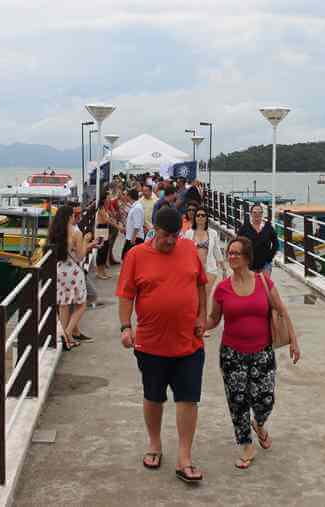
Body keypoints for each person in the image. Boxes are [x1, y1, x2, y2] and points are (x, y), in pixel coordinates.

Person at [117, 207, 208, 483]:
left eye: (175, 235)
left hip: (189, 342)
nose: (171, 240)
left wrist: (202, 316)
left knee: (188, 398)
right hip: (151, 344)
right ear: (155, 229)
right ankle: (154, 444)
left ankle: (184, 457)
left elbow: (200, 285)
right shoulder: (136, 256)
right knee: (154, 397)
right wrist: (125, 326)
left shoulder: (189, 248)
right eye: (167, 235)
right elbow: (126, 294)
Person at [206, 236, 300, 469]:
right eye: (229, 253)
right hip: (232, 354)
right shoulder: (223, 288)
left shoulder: (264, 282)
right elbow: (214, 319)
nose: (231, 256)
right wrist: (197, 327)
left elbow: (282, 310)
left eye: (236, 253)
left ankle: (259, 423)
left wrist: (294, 341)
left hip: (263, 353)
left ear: (247, 257)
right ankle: (246, 444)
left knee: (265, 399)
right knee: (237, 402)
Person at [50, 204, 99, 350]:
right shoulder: (75, 233)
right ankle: (68, 333)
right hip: (73, 271)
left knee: (64, 305)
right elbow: (80, 255)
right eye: (73, 215)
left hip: (59, 270)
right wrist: (86, 240)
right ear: (69, 216)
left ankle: (67, 338)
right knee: (81, 304)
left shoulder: (55, 232)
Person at [182, 208, 224, 336]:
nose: (200, 217)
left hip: (209, 269)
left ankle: (203, 325)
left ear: (206, 218)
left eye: (203, 215)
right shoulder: (189, 233)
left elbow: (217, 251)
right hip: (193, 269)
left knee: (205, 297)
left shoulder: (213, 233)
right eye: (198, 215)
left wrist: (223, 267)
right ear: (195, 218)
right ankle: (193, 322)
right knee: (195, 297)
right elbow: (183, 251)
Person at [237, 203, 279, 275]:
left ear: (262, 214)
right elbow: (238, 244)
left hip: (265, 264)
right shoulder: (244, 228)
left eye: (260, 212)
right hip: (249, 264)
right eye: (255, 212)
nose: (257, 214)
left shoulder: (268, 227)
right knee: (251, 285)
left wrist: (270, 257)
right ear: (251, 214)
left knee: (264, 285)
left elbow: (276, 243)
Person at [122, 187, 145, 258]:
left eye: (125, 195)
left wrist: (133, 238)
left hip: (135, 238)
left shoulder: (137, 208)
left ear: (129, 196)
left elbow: (137, 225)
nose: (124, 197)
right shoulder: (135, 206)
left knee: (128, 258)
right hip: (131, 236)